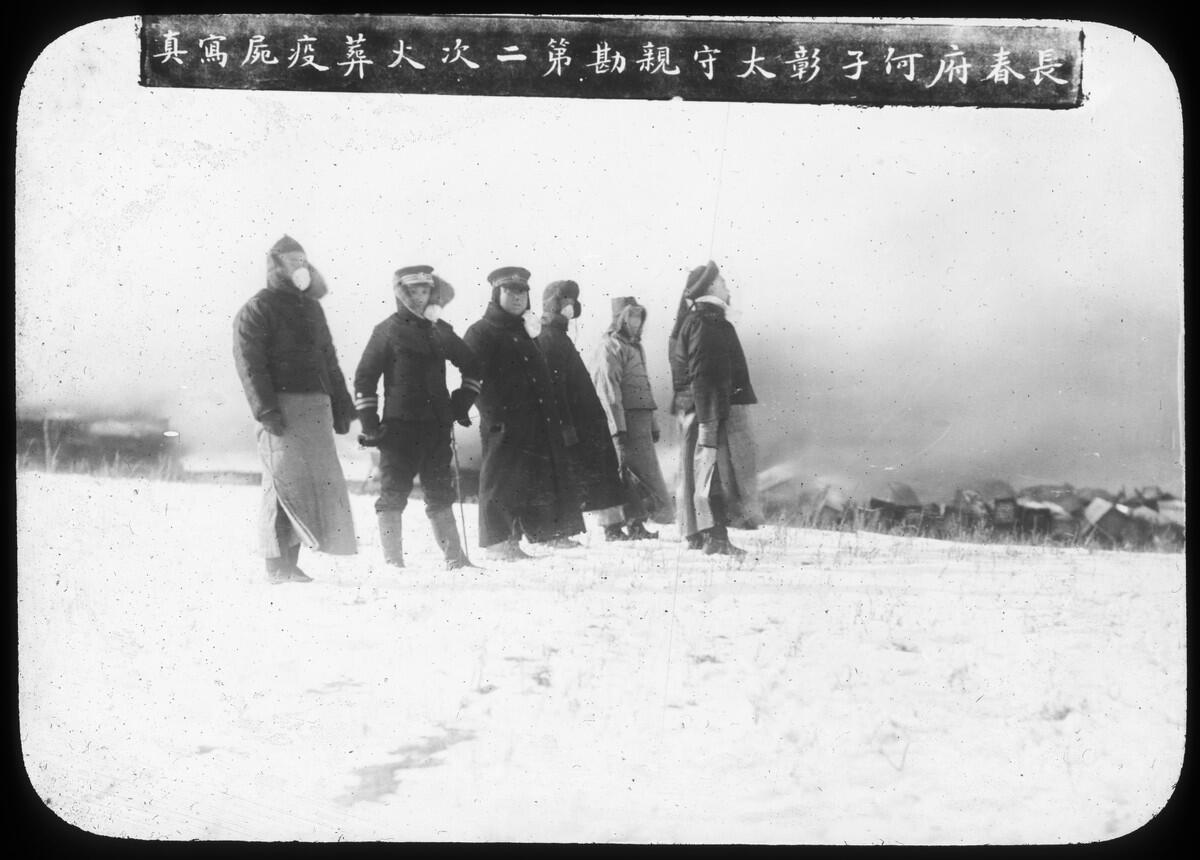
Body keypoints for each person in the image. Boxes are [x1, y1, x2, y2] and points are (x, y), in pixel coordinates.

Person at [233, 235, 358, 583]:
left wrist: (342, 406)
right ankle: (276, 565)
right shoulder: (258, 308)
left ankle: (292, 562)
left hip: (315, 406)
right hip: (281, 410)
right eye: (292, 261)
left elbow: (328, 359)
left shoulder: (312, 308)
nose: (299, 267)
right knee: (282, 483)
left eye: (303, 260)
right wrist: (265, 409)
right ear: (276, 265)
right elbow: (250, 364)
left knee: (308, 486)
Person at [353, 265, 482, 570]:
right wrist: (370, 425)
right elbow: (365, 378)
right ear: (401, 293)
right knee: (393, 494)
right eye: (413, 291)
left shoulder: (440, 331)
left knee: (440, 493)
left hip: (436, 428)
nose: (420, 297)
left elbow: (473, 366)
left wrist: (461, 402)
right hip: (398, 430)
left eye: (425, 291)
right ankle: (393, 563)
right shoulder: (386, 330)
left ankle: (456, 559)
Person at [462, 266, 581, 560]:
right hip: (504, 424)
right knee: (500, 480)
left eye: (522, 292)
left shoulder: (528, 331)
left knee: (536, 477)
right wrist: (497, 417)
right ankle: (497, 542)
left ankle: (544, 533)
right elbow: (472, 379)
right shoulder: (481, 332)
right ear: (496, 294)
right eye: (510, 291)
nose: (517, 298)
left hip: (536, 421)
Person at [668, 261, 762, 556]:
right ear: (710, 287)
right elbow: (705, 374)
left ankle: (697, 534)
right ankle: (716, 538)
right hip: (709, 410)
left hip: (700, 409)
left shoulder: (698, 320)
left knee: (697, 471)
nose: (728, 287)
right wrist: (709, 421)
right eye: (722, 282)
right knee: (713, 472)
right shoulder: (707, 323)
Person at [536, 280, 625, 540]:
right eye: (565, 301)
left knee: (600, 471)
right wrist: (565, 425)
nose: (570, 307)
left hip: (584, 422)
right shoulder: (549, 337)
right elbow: (555, 388)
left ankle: (613, 525)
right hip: (575, 423)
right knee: (584, 474)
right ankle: (606, 527)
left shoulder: (558, 335)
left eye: (573, 302)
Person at [590, 296, 676, 540]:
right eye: (631, 316)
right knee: (621, 475)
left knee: (643, 476)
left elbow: (644, 388)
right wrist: (617, 428)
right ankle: (613, 528)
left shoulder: (635, 347)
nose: (636, 322)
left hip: (640, 423)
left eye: (639, 316)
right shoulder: (610, 346)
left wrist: (653, 424)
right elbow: (609, 390)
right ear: (620, 318)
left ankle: (636, 524)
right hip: (623, 422)